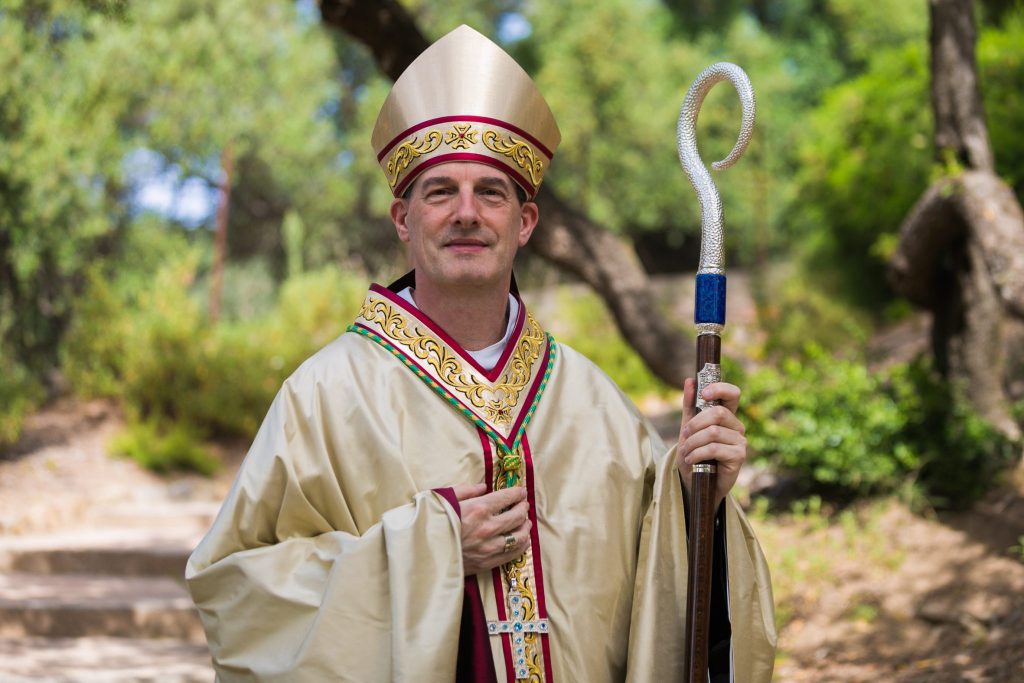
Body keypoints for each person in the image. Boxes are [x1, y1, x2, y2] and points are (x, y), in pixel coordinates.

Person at [186, 25, 776, 682]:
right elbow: (236, 591)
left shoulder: (593, 404)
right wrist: (428, 550)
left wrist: (701, 498)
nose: (466, 213)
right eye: (440, 192)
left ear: (524, 223)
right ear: (403, 221)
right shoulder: (323, 397)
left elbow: (670, 602)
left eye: (490, 193)